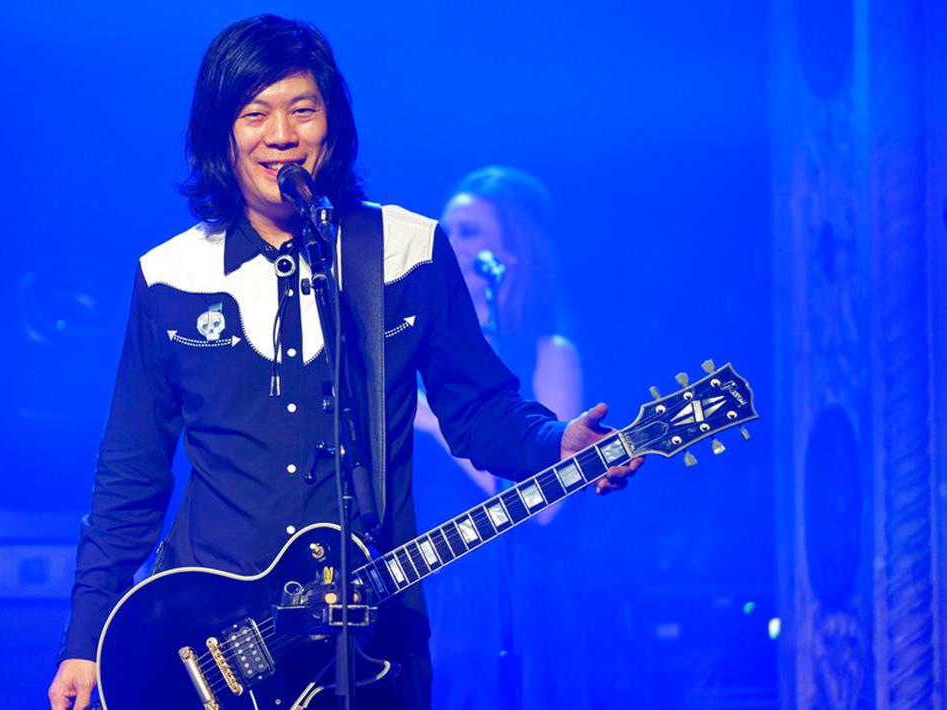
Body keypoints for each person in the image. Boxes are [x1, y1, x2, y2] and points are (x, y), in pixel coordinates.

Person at [47, 15, 641, 710]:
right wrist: (84, 639)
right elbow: (131, 471)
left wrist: (554, 443)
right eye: (254, 114)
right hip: (206, 645)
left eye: (303, 109)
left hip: (374, 642)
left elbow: (477, 410)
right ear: (221, 133)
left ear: (333, 124)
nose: (281, 135)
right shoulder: (171, 275)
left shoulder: (404, 250)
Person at [413, 166, 589, 708]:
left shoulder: (545, 351)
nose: (452, 246)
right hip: (427, 587)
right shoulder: (416, 354)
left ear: (511, 253)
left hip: (507, 594)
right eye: (446, 233)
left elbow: (546, 505)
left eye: (469, 233)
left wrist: (433, 420)